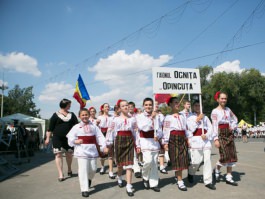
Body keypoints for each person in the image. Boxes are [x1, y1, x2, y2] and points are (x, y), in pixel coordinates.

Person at [67, 108, 108, 198]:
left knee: (93, 169)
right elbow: (70, 137)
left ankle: (89, 179)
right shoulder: (76, 127)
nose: (85, 116)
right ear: (79, 116)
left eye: (86, 114)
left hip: (92, 150)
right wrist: (75, 141)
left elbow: (100, 136)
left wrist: (103, 146)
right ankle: (84, 189)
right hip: (81, 150)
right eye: (83, 115)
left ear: (89, 115)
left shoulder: (94, 126)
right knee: (83, 170)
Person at [106, 99, 137, 197]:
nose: (126, 107)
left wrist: (138, 144)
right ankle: (119, 177)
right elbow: (110, 131)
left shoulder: (133, 119)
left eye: (127, 105)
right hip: (119, 140)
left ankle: (129, 185)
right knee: (120, 164)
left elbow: (136, 132)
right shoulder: (115, 119)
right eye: (123, 106)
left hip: (129, 141)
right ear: (119, 108)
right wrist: (109, 143)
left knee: (129, 165)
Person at [45, 99, 78, 182]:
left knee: (69, 154)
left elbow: (77, 126)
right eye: (69, 105)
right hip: (57, 138)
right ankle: (60, 174)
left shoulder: (72, 114)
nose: (70, 106)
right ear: (65, 105)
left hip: (69, 139)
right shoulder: (55, 115)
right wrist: (48, 138)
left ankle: (69, 169)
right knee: (58, 155)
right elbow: (50, 128)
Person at [162, 96, 191, 191]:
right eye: (175, 102)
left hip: (182, 138)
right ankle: (180, 181)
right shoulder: (168, 117)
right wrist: (165, 142)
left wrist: (188, 139)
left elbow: (186, 128)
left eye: (178, 102)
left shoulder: (182, 116)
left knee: (183, 159)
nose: (177, 104)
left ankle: (177, 176)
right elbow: (166, 130)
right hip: (173, 139)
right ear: (170, 104)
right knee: (177, 159)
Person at [187, 100, 216, 190]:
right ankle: (191, 172)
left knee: (207, 160)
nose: (197, 107)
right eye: (195, 105)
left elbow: (211, 128)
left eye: (199, 105)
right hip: (195, 141)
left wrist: (207, 135)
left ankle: (208, 181)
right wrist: (197, 119)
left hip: (205, 141)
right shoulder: (190, 117)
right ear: (193, 107)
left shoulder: (206, 117)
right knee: (196, 161)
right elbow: (190, 129)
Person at [211, 91, 238, 186]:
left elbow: (235, 119)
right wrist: (215, 139)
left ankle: (229, 177)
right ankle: (217, 169)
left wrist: (233, 126)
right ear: (217, 99)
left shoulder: (228, 109)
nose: (224, 100)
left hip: (229, 133)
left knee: (231, 155)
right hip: (220, 134)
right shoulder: (215, 111)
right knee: (225, 155)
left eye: (225, 98)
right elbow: (214, 125)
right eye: (222, 98)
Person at [136, 97, 162, 192]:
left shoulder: (157, 116)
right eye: (146, 105)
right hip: (145, 140)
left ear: (153, 106)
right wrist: (152, 118)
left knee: (154, 163)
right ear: (143, 106)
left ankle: (154, 183)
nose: (148, 106)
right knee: (148, 161)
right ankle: (145, 176)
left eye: (150, 105)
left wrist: (158, 136)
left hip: (154, 141)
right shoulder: (139, 116)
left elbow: (159, 129)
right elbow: (143, 127)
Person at [97, 103, 115, 179]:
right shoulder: (99, 117)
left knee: (110, 154)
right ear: (103, 109)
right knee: (102, 153)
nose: (107, 108)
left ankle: (111, 171)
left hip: (110, 134)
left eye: (108, 106)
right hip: (102, 135)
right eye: (106, 107)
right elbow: (96, 128)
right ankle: (102, 166)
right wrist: (97, 123)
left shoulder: (112, 117)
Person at [128, 101, 142, 179]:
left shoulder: (138, 116)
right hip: (130, 137)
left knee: (137, 153)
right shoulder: (127, 116)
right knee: (133, 154)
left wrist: (138, 128)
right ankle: (137, 170)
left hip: (139, 135)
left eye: (132, 107)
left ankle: (135, 167)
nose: (130, 108)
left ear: (134, 107)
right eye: (129, 107)